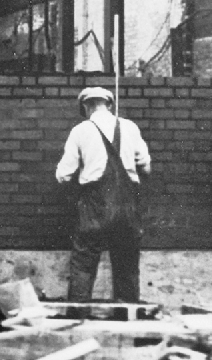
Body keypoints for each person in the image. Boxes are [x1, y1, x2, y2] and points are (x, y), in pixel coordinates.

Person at [55, 87, 151, 302]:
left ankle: (78, 314)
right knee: (126, 262)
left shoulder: (80, 130)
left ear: (87, 106)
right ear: (109, 104)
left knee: (84, 261)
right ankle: (127, 314)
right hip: (127, 205)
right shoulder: (130, 127)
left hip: (94, 204)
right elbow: (146, 167)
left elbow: (63, 175)